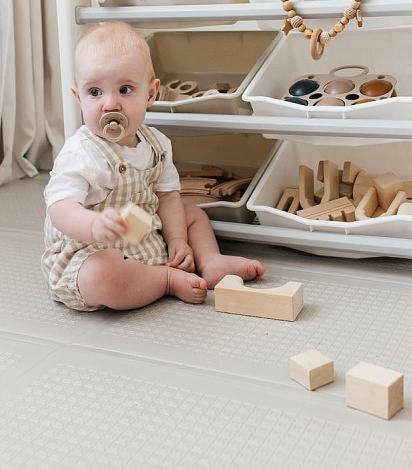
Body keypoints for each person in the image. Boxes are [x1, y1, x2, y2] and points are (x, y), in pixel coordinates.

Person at [41, 22, 265, 311]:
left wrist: (177, 240)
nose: (110, 105)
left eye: (124, 90)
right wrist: (93, 225)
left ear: (150, 94)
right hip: (93, 250)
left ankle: (210, 260)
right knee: (103, 276)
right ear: (79, 98)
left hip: (145, 235)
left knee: (192, 213)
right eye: (94, 92)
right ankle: (165, 280)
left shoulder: (157, 143)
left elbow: (168, 197)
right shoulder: (81, 152)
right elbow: (60, 209)